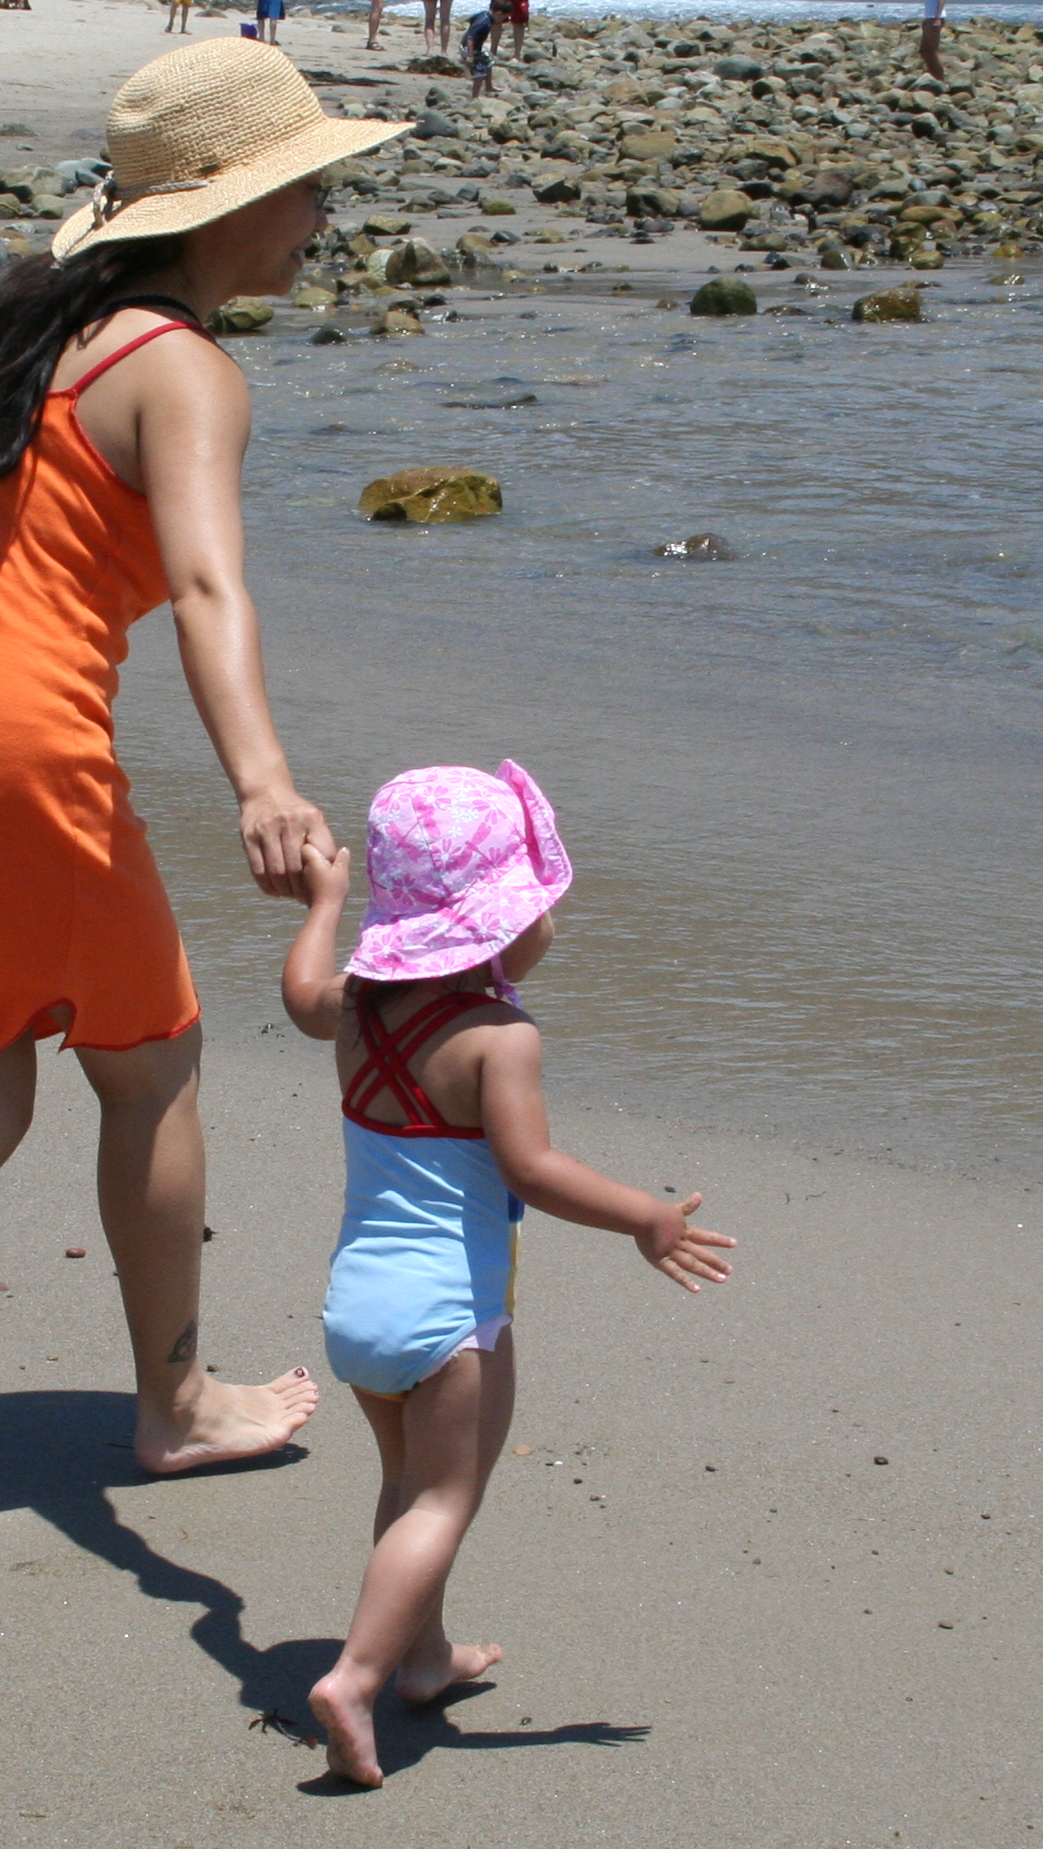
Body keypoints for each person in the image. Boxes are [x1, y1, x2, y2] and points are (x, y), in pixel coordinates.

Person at [0, 38, 415, 1528]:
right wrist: (264, 782)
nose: (324, 219)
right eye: (309, 189)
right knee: (152, 1066)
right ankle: (175, 1407)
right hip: (8, 744)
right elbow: (207, 587)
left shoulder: (26, 337)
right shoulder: (185, 370)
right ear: (228, 205)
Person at [278, 764, 734, 1788]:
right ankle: (355, 1677)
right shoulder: (498, 1037)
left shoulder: (357, 1011)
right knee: (445, 1501)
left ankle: (424, 1657)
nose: (548, 925)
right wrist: (645, 1217)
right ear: (491, 926)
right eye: (535, 907)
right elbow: (532, 1170)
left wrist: (325, 904)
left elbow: (300, 993)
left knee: (407, 1488)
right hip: (451, 1316)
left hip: (357, 1308)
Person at [460, 0, 496, 98]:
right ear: (499, 13)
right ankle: (475, 97)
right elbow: (470, 38)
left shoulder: (485, 14)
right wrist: (470, 55)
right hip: (469, 48)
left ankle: (489, 87)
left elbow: (471, 19)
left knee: (488, 60)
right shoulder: (484, 23)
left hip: (474, 47)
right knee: (480, 71)